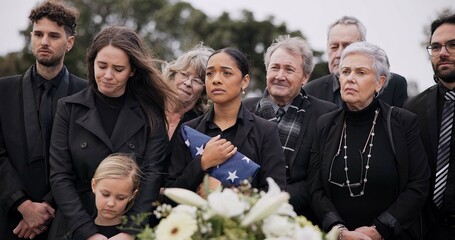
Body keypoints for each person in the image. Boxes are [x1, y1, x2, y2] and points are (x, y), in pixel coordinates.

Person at [48, 26, 178, 240]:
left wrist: (130, 232)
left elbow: (153, 175)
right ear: (92, 63)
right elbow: (60, 175)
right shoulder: (69, 108)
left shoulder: (150, 112)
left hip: (129, 226)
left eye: (118, 69)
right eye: (102, 66)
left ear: (132, 70)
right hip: (74, 226)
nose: (107, 75)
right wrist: (87, 232)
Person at [309, 42, 430, 239]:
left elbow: (419, 184)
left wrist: (379, 230)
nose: (350, 79)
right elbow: (315, 188)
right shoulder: (325, 125)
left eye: (361, 72)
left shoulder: (402, 122)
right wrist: (338, 229)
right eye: (345, 71)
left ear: (380, 82)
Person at [0, 1, 87, 239]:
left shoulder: (87, 94)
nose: (44, 42)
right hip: (9, 219)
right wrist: (22, 205)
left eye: (53, 35)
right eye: (38, 34)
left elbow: (85, 159)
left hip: (65, 219)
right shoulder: (3, 90)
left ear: (69, 43)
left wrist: (46, 210)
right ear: (31, 37)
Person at [166, 48, 286, 195]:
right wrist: (202, 163)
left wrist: (224, 191)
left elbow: (275, 193)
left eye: (226, 73)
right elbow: (171, 193)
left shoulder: (266, 131)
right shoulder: (188, 130)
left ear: (245, 81)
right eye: (210, 73)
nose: (216, 79)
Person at [243, 35, 337, 222]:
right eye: (275, 67)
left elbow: (318, 180)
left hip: (298, 218)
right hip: (244, 211)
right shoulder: (243, 109)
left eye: (289, 69)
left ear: (305, 77)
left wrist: (271, 201)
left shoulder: (325, 114)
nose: (280, 76)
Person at [403, 13, 455, 239]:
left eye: (452, 45)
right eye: (435, 47)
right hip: (426, 231)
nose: (442, 53)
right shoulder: (412, 107)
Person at [304, 16, 408, 108]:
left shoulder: (394, 85)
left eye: (347, 46)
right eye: (334, 47)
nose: (339, 54)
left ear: (363, 46)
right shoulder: (310, 91)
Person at [162, 44, 213, 143]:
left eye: (197, 81)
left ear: (204, 91)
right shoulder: (149, 106)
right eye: (184, 74)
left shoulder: (201, 126)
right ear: (173, 75)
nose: (188, 83)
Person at [91, 153, 142, 238]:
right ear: (93, 185)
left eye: (120, 198)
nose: (111, 203)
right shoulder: (77, 231)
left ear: (133, 195)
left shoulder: (142, 234)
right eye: (105, 194)